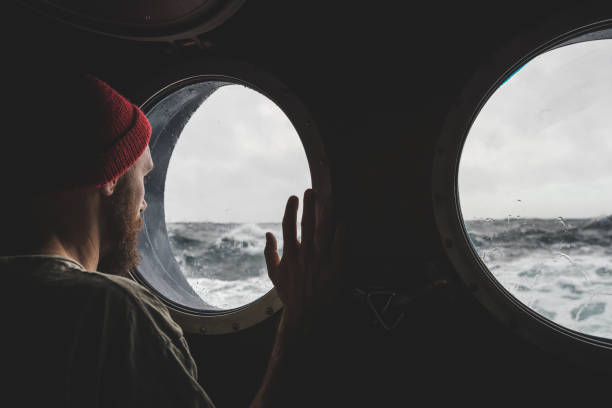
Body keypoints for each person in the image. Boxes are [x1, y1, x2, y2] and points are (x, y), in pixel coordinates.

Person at [0, 71, 342, 407]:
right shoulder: (113, 311)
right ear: (110, 178)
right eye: (144, 175)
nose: (145, 203)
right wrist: (296, 320)